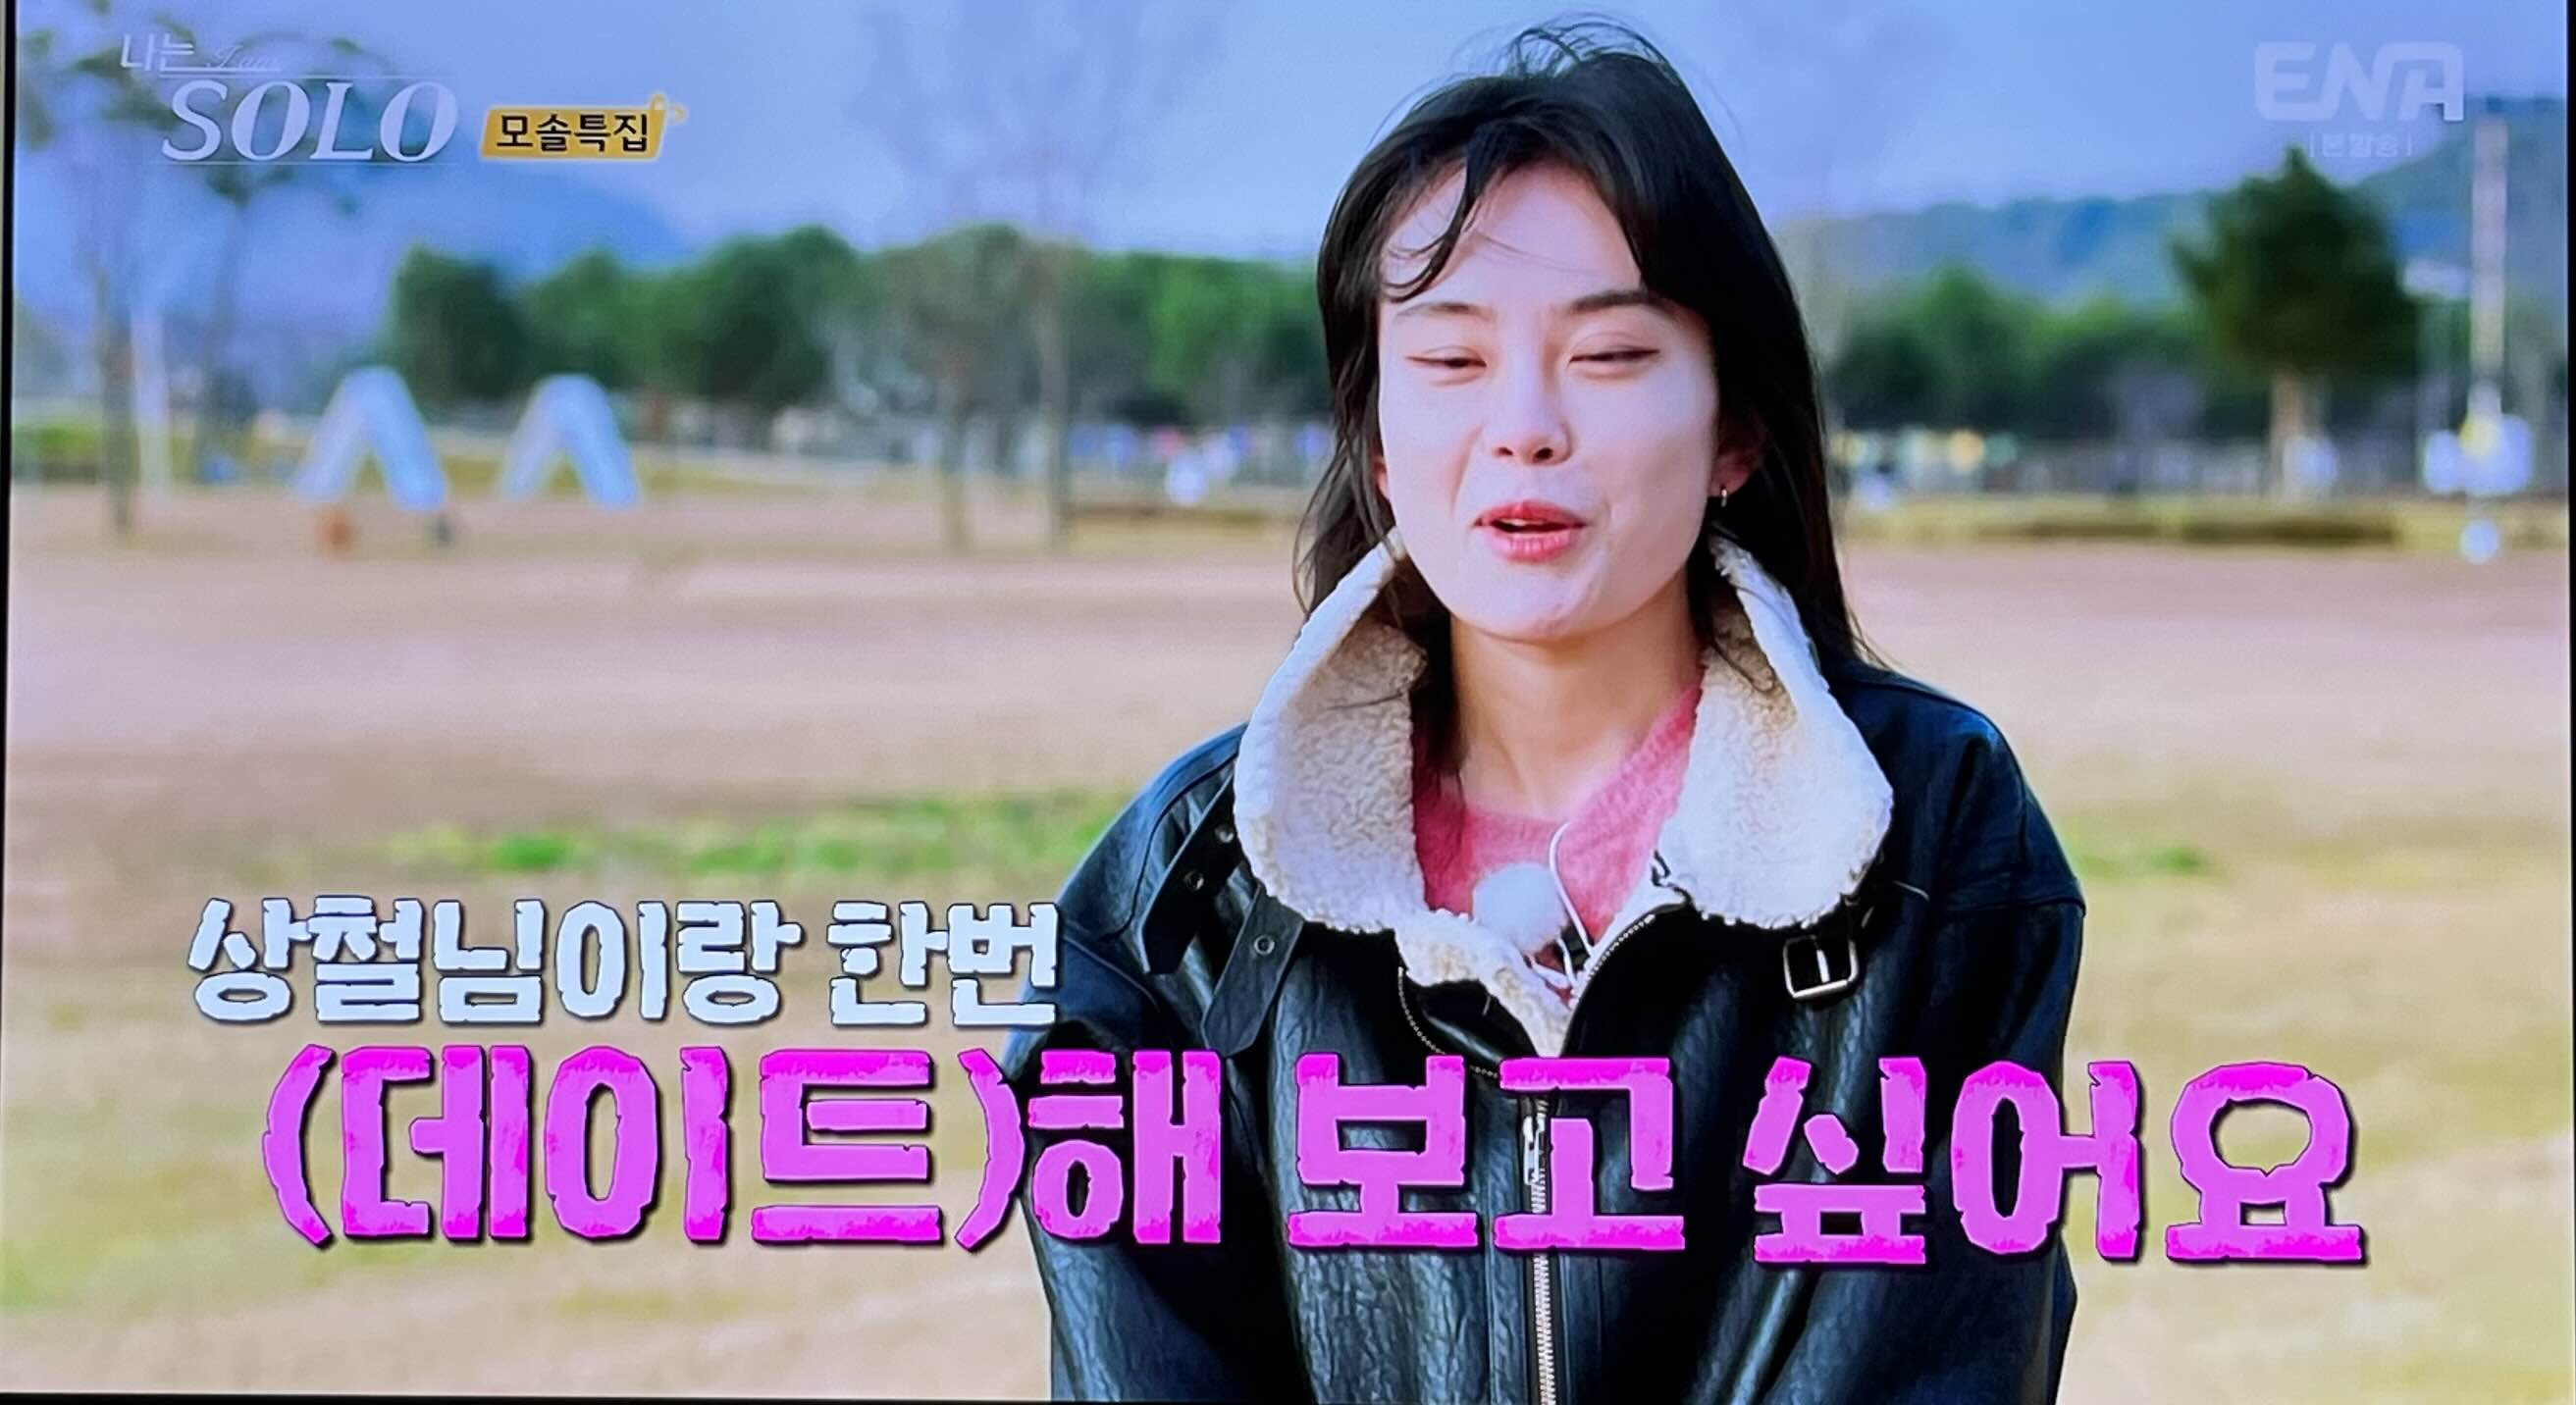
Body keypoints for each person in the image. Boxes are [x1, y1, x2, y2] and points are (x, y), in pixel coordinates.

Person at [1003, 22, 2084, 1404]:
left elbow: (1929, 1352)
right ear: (1376, 440)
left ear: (1735, 430)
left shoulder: (1930, 829)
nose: (1523, 426)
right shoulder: (1177, 901)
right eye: (1451, 362)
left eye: (1610, 354)